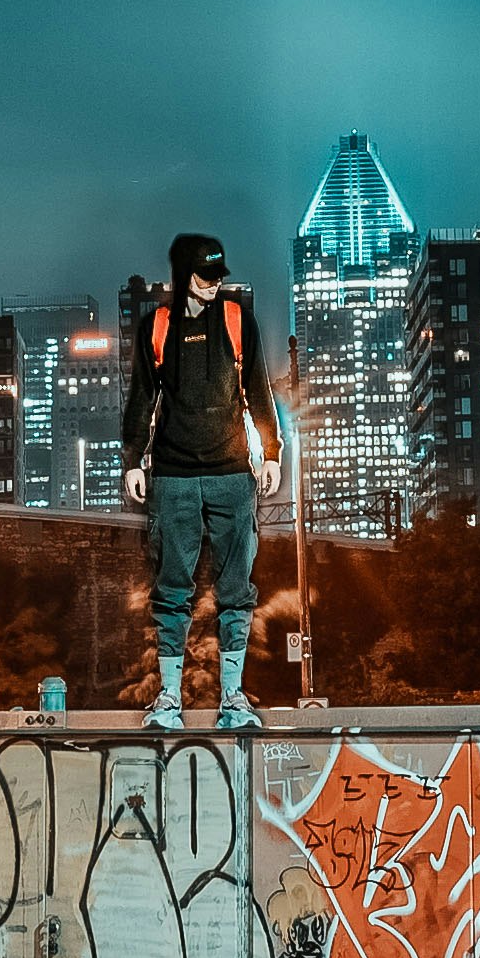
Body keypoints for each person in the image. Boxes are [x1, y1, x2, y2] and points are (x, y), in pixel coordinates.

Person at [123, 228, 286, 725]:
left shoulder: (238, 321)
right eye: (205, 274)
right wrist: (133, 459)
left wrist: (272, 452)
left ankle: (233, 699)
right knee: (172, 588)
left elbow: (258, 389)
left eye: (219, 274)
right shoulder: (157, 327)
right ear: (182, 274)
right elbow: (141, 399)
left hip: (233, 473)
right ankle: (169, 699)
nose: (214, 283)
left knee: (236, 589)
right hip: (172, 476)